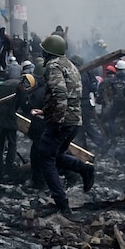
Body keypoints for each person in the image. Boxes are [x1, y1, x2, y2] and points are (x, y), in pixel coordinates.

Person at [35, 34, 95, 218]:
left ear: (48, 52)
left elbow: (60, 94)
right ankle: (83, 168)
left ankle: (62, 203)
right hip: (74, 120)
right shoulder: (70, 66)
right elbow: (69, 95)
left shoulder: (53, 67)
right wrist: (46, 111)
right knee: (57, 154)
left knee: (45, 158)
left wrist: (57, 119)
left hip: (61, 122)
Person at [71, 55, 110, 154]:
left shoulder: (76, 74)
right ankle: (83, 146)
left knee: (85, 126)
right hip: (86, 102)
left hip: (80, 103)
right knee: (81, 126)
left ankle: (102, 144)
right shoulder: (88, 73)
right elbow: (93, 87)